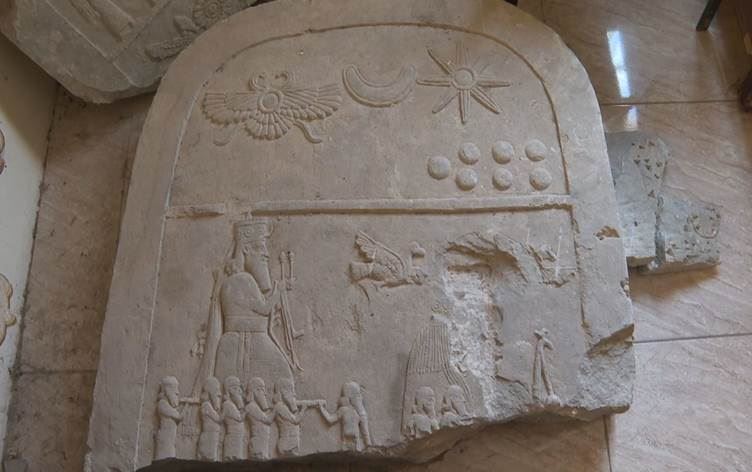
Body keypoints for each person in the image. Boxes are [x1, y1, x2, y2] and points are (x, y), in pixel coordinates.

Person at [318, 382, 371, 451]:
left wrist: (321, 408)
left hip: (351, 441)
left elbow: (330, 419)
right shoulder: (346, 410)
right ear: (350, 398)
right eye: (358, 395)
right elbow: (330, 420)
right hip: (350, 441)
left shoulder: (346, 410)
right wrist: (321, 408)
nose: (361, 397)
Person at [273, 378, 316, 456]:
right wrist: (303, 409)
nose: (294, 394)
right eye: (291, 391)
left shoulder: (284, 406)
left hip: (291, 442)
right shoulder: (280, 407)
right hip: (287, 444)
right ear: (283, 392)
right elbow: (296, 420)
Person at [245, 377, 275, 459]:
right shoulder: (251, 407)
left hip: (262, 442)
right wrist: (277, 409)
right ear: (255, 391)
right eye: (261, 389)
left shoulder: (256, 407)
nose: (265, 393)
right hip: (258, 443)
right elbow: (268, 420)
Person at [155, 376, 183, 460]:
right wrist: (186, 405)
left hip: (170, 439)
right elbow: (179, 416)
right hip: (165, 439)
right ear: (168, 390)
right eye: (175, 389)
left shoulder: (167, 405)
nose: (177, 392)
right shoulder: (162, 404)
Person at [197, 377, 222, 461]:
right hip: (209, 437)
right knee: (208, 457)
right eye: (217, 390)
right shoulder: (206, 405)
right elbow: (218, 419)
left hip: (212, 436)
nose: (219, 394)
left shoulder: (208, 405)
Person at [222, 376, 245, 460]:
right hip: (233, 438)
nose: (240, 391)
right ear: (230, 390)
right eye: (236, 388)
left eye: (239, 388)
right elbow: (240, 418)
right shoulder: (227, 404)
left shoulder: (232, 405)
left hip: (237, 438)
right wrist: (241, 405)